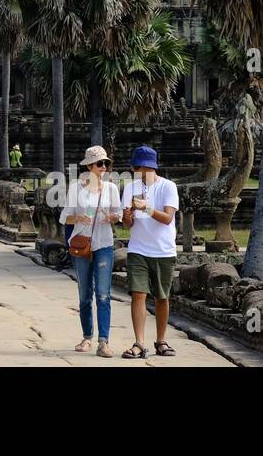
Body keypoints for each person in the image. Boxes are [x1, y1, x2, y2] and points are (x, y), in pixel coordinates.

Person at [60, 145, 121, 357]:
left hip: (104, 244)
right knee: (85, 295)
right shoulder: (76, 188)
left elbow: (119, 214)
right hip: (82, 244)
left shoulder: (111, 189)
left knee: (103, 295)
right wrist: (78, 218)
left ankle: (103, 341)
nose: (103, 167)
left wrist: (113, 217)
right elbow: (64, 217)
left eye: (106, 163)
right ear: (89, 166)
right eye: (99, 163)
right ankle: (87, 336)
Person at [121, 145, 180, 359]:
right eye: (134, 167)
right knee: (138, 294)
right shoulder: (130, 188)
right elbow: (127, 224)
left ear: (149, 168)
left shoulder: (168, 187)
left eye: (139, 167)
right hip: (138, 249)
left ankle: (161, 340)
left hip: (163, 250)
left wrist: (145, 207)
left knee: (162, 297)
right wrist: (128, 213)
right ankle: (139, 342)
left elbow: (167, 219)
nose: (136, 171)